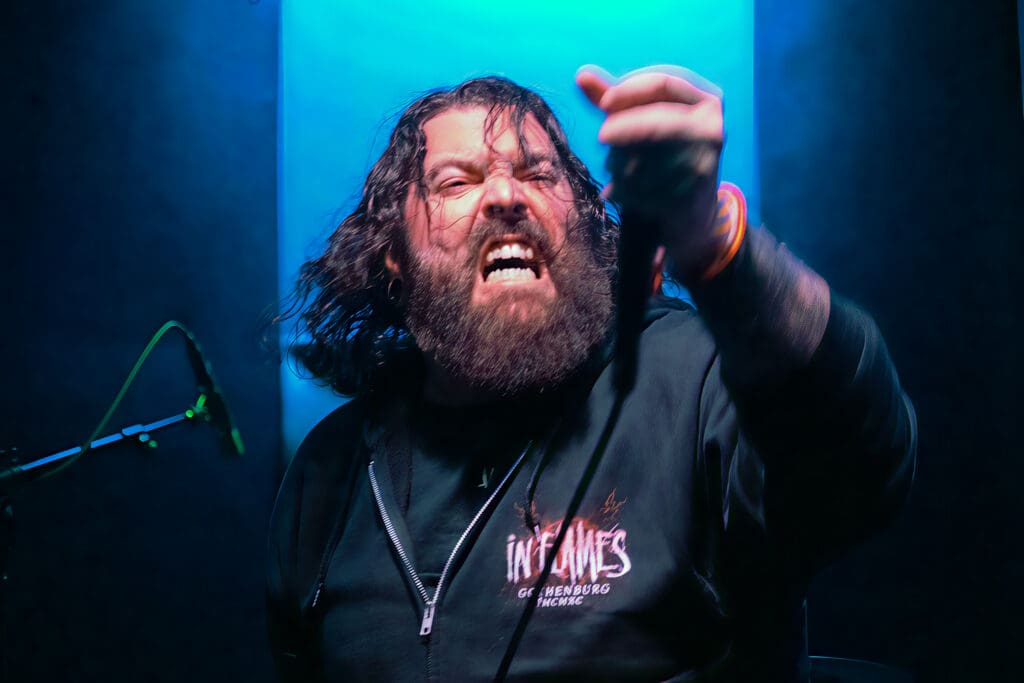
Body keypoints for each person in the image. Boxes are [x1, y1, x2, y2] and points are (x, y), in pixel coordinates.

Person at [266, 64, 916, 682]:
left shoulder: (686, 378)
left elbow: (858, 461)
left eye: (538, 174)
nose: (506, 196)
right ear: (394, 257)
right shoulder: (331, 472)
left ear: (582, 219)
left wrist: (716, 247)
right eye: (456, 183)